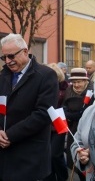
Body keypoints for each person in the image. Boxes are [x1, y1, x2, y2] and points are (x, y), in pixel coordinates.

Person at [0, 33, 59, 180]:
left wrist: (10, 135)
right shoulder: (2, 76)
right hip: (3, 157)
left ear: (25, 52)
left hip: (30, 157)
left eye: (11, 56)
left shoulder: (46, 75)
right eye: (4, 57)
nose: (8, 61)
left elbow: (43, 114)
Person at [63, 67, 95, 181]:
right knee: (75, 157)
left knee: (87, 159)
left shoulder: (92, 93)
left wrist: (75, 115)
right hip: (73, 129)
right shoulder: (68, 90)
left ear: (85, 81)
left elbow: (90, 112)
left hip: (88, 129)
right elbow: (64, 107)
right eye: (74, 82)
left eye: (79, 82)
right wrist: (68, 114)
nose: (76, 85)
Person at [45, 63, 69, 181]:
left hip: (59, 125)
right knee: (46, 156)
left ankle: (62, 177)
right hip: (45, 126)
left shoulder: (65, 88)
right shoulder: (44, 87)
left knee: (55, 154)